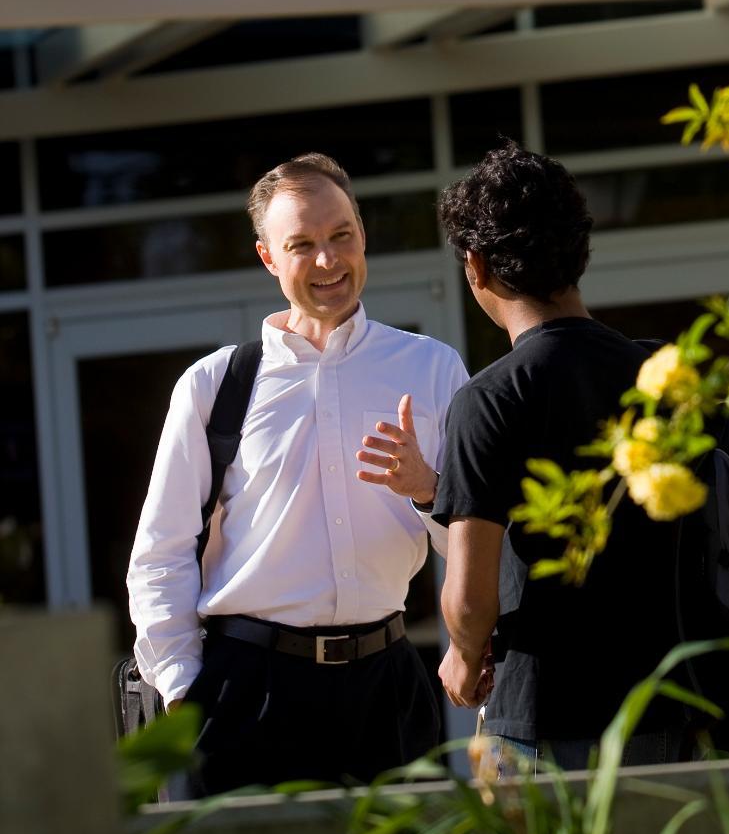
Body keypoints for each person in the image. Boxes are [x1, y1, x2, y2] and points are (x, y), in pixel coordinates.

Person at [127, 152, 468, 794]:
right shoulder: (214, 386)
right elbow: (161, 553)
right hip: (248, 691)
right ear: (268, 258)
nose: (327, 261)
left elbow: (480, 541)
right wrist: (182, 688)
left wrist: (429, 492)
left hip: (388, 685)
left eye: (341, 236)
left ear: (362, 234)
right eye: (302, 245)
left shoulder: (432, 369)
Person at [431, 140, 689, 771]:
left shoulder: (489, 400)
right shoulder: (662, 377)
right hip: (671, 706)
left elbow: (469, 602)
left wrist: (464, 657)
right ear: (580, 254)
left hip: (546, 720)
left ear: (476, 267)